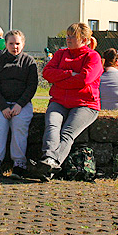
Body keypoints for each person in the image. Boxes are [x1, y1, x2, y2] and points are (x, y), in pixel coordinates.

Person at [35, 22, 103, 182]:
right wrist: (70, 74)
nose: (68, 39)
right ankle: (49, 162)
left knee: (67, 134)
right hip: (59, 101)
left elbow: (85, 79)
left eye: (73, 36)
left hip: (85, 104)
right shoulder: (60, 54)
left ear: (85, 39)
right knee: (52, 126)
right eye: (68, 35)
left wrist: (60, 79)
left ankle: (50, 164)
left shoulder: (93, 57)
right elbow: (47, 73)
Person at [0, 30, 38, 179]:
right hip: (0, 103)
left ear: (23, 44)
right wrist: (3, 107)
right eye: (11, 43)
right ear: (6, 44)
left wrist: (19, 105)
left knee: (20, 127)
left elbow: (32, 86)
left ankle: (19, 164)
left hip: (21, 104)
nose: (14, 47)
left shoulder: (29, 62)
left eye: (17, 43)